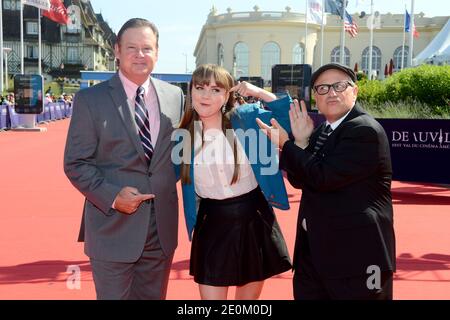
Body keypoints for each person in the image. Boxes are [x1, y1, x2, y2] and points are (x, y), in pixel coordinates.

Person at [64, 18, 184, 300]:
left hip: (161, 229)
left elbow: (179, 157)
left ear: (157, 52)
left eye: (147, 48)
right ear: (117, 50)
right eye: (131, 47)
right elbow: (76, 163)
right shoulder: (90, 100)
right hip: (112, 227)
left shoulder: (175, 96)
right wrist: (114, 196)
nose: (139, 55)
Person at [257, 63, 396, 300]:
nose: (331, 93)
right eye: (322, 88)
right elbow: (302, 180)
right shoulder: (322, 131)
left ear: (355, 91)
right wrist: (300, 141)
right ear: (315, 98)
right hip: (315, 254)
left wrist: (286, 144)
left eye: (339, 86)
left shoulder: (364, 130)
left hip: (356, 258)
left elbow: (324, 177)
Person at [174, 64, 292, 300]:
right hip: (211, 223)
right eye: (200, 88)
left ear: (227, 95)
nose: (206, 95)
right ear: (191, 91)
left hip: (253, 218)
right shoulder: (182, 135)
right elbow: (160, 175)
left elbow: (286, 118)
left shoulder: (245, 119)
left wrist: (257, 92)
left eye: (216, 89)